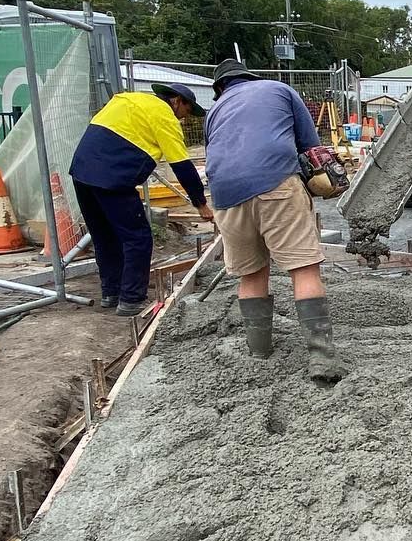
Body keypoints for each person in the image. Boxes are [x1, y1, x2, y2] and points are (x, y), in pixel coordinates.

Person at [203, 58, 337, 371]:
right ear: (249, 77)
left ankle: (259, 353)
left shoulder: (214, 110)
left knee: (251, 275)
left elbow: (220, 154)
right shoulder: (278, 89)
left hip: (225, 195)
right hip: (276, 181)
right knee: (303, 269)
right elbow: (311, 149)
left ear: (220, 88)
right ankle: (322, 360)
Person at [69, 82, 212, 315]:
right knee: (138, 238)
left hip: (82, 172)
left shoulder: (128, 99)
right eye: (186, 111)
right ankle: (132, 300)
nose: (184, 119)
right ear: (176, 101)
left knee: (104, 235)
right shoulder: (164, 116)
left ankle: (111, 292)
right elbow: (182, 166)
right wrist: (201, 204)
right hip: (112, 178)